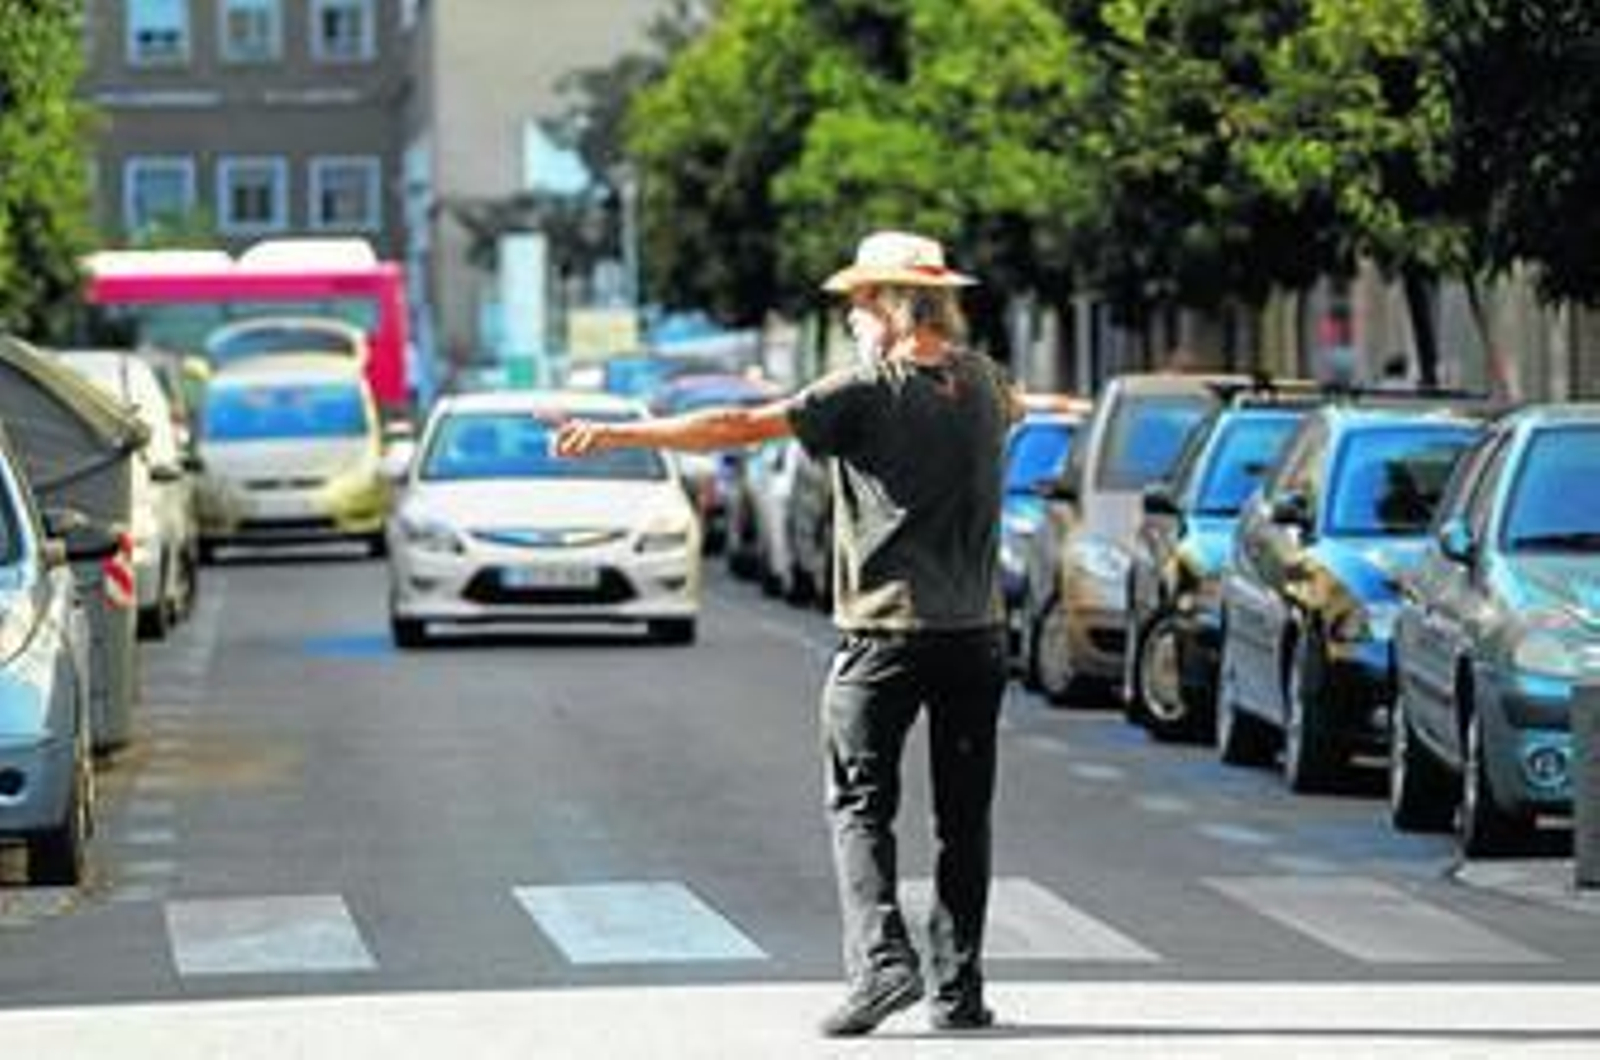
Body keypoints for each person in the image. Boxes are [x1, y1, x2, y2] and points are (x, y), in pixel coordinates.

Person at [555, 231, 1020, 1037]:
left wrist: (622, 436)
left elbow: (737, 426)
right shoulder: (984, 384)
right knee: (964, 818)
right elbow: (1026, 410)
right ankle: (958, 991)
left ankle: (882, 966)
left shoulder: (865, 390)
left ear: (885, 304)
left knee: (859, 805)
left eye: (854, 306)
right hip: (976, 636)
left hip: (886, 635)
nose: (848, 319)